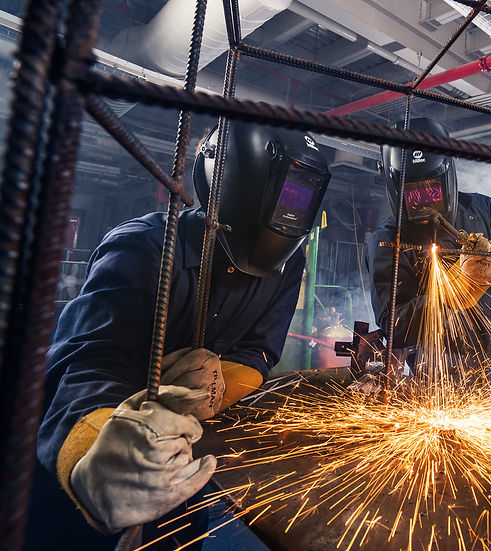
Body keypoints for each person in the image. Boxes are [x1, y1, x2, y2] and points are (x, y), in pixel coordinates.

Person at [28, 122, 332, 549]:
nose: (290, 213)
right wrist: (94, 456)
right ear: (226, 184)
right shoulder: (144, 248)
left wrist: (218, 383)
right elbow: (90, 362)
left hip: (184, 467)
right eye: (284, 196)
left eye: (299, 199)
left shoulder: (287, 265)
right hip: (97, 466)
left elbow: (259, 348)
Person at [366, 117, 491, 386]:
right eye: (415, 194)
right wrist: (453, 291)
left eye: (433, 190)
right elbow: (393, 326)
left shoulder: (481, 209)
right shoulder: (387, 240)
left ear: (448, 175)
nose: (427, 203)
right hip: (439, 383)